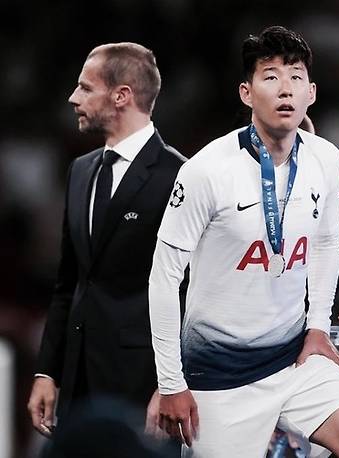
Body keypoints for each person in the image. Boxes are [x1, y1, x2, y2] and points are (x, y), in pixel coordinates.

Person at [149, 26, 339, 457]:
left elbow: (326, 243)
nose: (285, 89)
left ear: (311, 93)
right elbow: (163, 278)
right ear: (246, 93)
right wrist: (171, 383)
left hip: (293, 359)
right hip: (220, 375)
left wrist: (318, 327)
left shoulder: (326, 160)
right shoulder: (206, 171)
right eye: (271, 77)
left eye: (296, 77)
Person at [27, 42, 186, 440]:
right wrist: (47, 371)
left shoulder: (179, 176)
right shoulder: (81, 171)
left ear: (121, 96)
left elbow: (190, 292)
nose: (73, 97)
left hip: (141, 385)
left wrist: (170, 385)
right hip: (76, 381)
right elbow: (69, 282)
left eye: (85, 87)